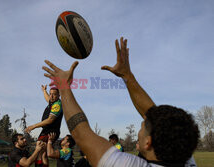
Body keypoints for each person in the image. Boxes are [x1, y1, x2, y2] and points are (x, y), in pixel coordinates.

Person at [42, 37, 199, 167]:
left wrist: (63, 86)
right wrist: (127, 76)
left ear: (148, 143)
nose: (141, 127)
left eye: (143, 126)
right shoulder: (184, 156)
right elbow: (157, 117)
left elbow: (81, 134)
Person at [25, 86, 63, 165]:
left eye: (54, 94)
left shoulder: (57, 105)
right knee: (42, 153)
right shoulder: (52, 101)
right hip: (46, 130)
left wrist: (33, 126)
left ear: (59, 95)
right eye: (50, 94)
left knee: (40, 151)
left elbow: (50, 120)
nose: (51, 96)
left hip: (51, 131)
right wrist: (44, 91)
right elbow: (47, 98)